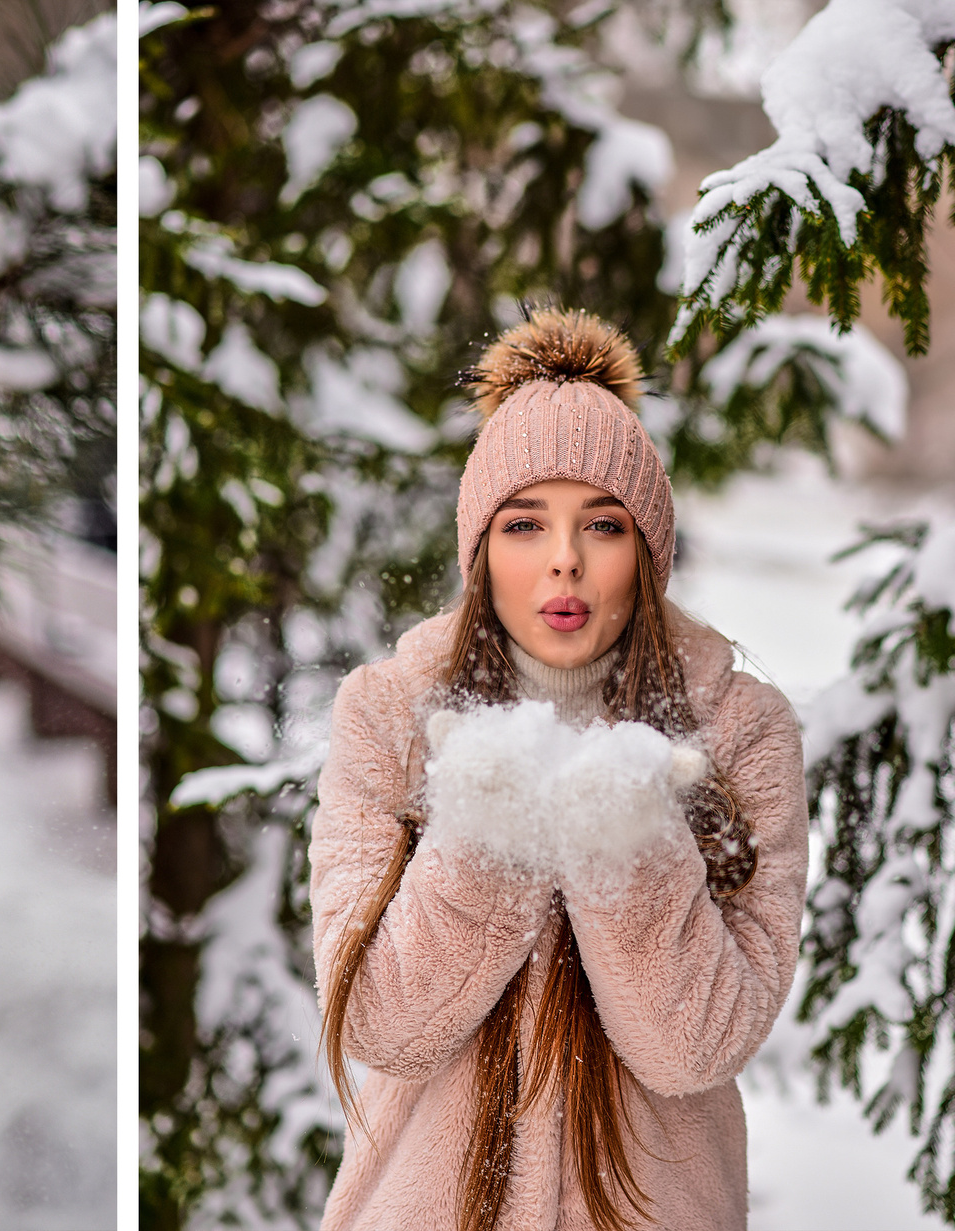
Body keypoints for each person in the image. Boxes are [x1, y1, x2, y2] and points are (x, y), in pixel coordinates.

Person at [310, 310, 803, 1231]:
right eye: (526, 523)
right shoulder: (388, 718)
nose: (564, 560)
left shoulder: (743, 733)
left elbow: (697, 1045)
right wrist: (495, 829)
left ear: (647, 553)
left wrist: (627, 841)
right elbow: (383, 1022)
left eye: (603, 525)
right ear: (480, 548)